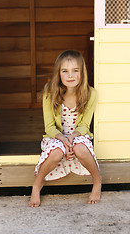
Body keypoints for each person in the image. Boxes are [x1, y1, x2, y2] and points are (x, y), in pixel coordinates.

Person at [29, 50, 102, 207]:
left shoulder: (91, 94)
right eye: (65, 71)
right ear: (58, 73)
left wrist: (72, 137)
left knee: (81, 149)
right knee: (56, 152)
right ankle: (37, 185)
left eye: (75, 71)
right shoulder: (50, 93)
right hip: (56, 136)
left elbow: (84, 125)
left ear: (82, 73)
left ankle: (97, 182)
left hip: (78, 135)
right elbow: (49, 127)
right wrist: (62, 139)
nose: (70, 76)